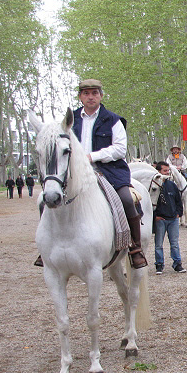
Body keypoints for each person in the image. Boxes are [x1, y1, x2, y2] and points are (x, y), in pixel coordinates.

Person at [73, 78, 147, 268]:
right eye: (86, 93)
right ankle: (48, 248)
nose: (90, 97)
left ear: (101, 95)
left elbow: (120, 149)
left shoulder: (113, 120)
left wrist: (92, 156)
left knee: (126, 200)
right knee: (49, 198)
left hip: (108, 172)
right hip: (76, 173)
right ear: (80, 96)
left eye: (94, 93)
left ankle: (135, 248)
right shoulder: (70, 119)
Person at [153, 161, 186, 274]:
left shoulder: (172, 185)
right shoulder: (154, 186)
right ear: (158, 171)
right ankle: (159, 264)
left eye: (168, 170)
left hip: (173, 219)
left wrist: (178, 213)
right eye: (165, 171)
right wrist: (155, 216)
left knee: (174, 243)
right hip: (160, 219)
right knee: (158, 244)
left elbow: (178, 200)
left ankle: (177, 264)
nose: (167, 173)